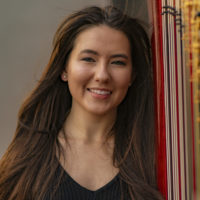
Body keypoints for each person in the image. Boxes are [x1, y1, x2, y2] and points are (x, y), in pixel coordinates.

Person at [0, 6, 163, 200]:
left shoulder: (153, 159)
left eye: (117, 62)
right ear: (64, 69)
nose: (102, 75)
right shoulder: (28, 157)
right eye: (88, 59)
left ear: (132, 76)